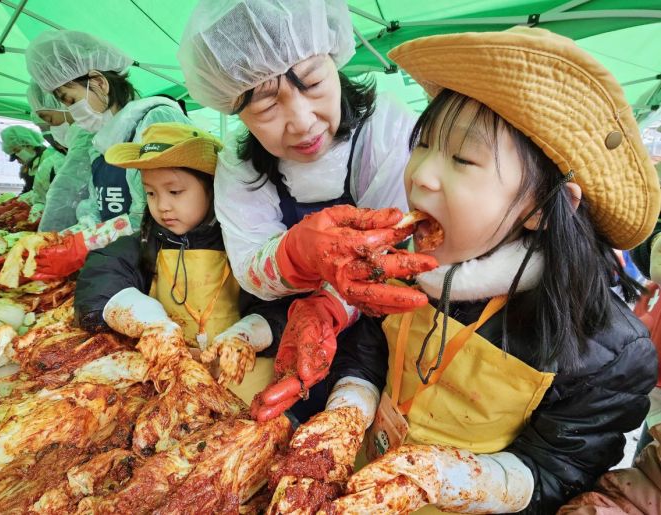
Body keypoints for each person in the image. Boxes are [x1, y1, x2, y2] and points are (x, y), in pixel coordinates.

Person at [274, 26, 660, 514]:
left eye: (462, 157)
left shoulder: (609, 352)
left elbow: (557, 472)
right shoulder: (405, 267)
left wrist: (447, 477)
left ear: (543, 208)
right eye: (425, 144)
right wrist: (347, 411)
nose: (421, 175)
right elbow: (369, 350)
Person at [178, 0, 430, 423]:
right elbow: (248, 266)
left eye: (312, 83)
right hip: (284, 330)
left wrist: (329, 307)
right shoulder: (241, 169)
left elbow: (396, 250)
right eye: (265, 107)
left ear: (335, 60)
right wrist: (295, 254)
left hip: (374, 341)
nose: (301, 121)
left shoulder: (384, 131)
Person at [74, 122, 276, 403]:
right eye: (151, 193)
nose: (163, 206)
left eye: (175, 192)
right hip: (176, 392)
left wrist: (245, 336)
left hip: (248, 388)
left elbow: (280, 307)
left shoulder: (245, 244)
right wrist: (151, 322)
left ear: (212, 187)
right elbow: (99, 276)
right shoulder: (145, 244)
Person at [22, 30, 190, 280]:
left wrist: (84, 244)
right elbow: (95, 206)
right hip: (122, 263)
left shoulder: (156, 121)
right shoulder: (101, 140)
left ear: (99, 82)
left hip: (166, 270)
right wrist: (67, 239)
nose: (72, 112)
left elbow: (159, 216)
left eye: (71, 100)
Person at [27, 80, 95, 231]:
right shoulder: (86, 138)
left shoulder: (85, 138)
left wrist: (46, 237)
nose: (51, 129)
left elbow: (64, 194)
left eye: (49, 120)